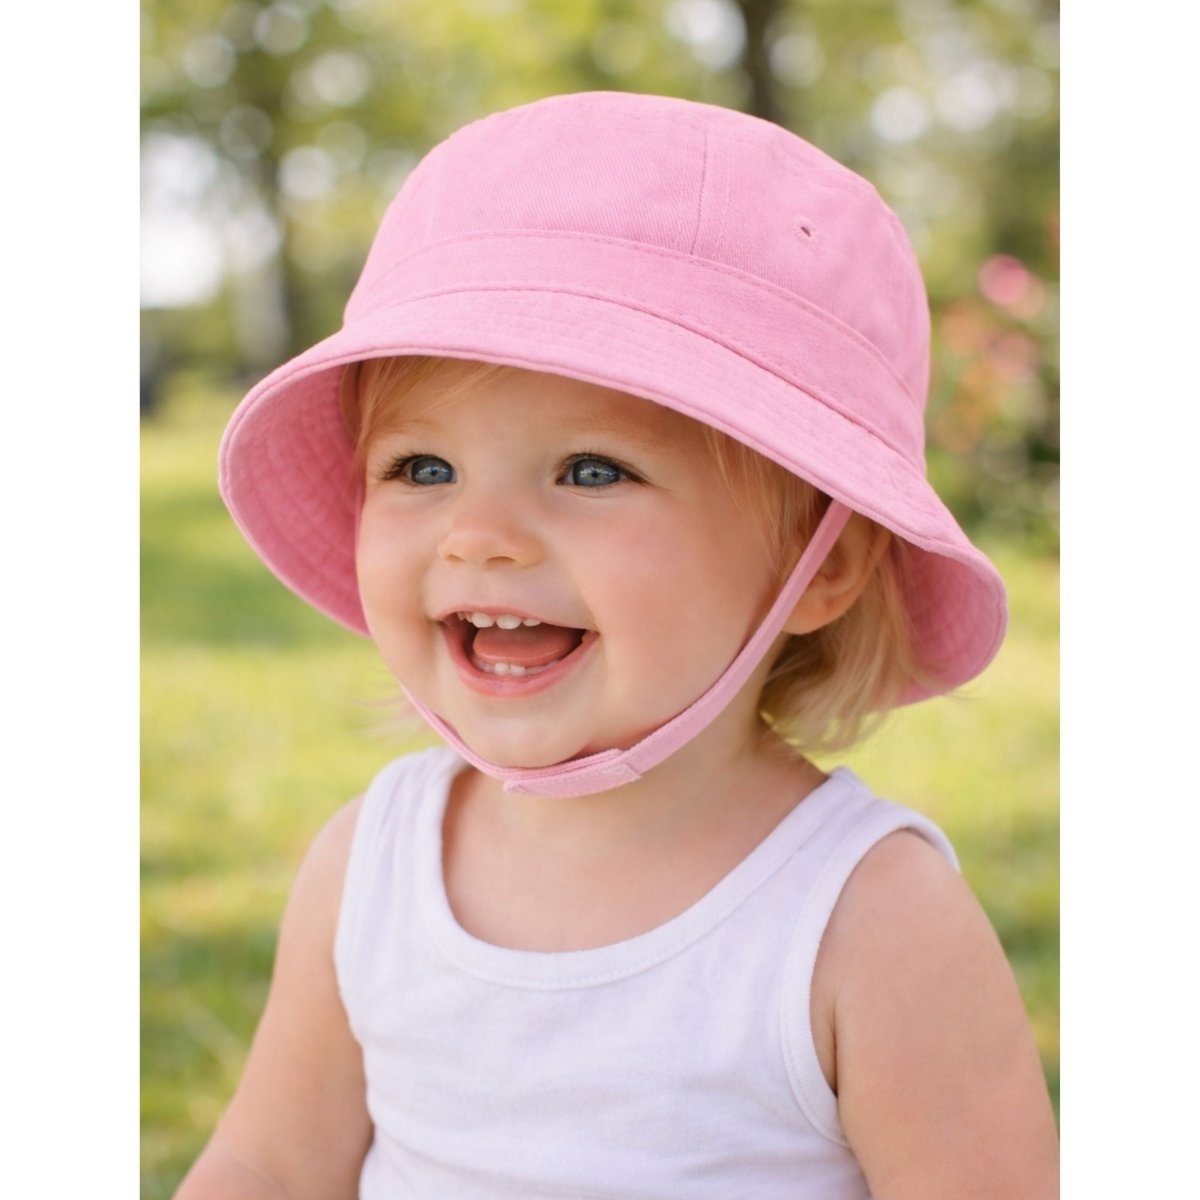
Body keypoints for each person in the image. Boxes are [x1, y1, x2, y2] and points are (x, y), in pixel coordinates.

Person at [178, 91, 1058, 1198]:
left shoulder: (869, 921)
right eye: (421, 468)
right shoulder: (369, 866)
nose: (480, 536)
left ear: (821, 566)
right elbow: (270, 1163)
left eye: (593, 470)